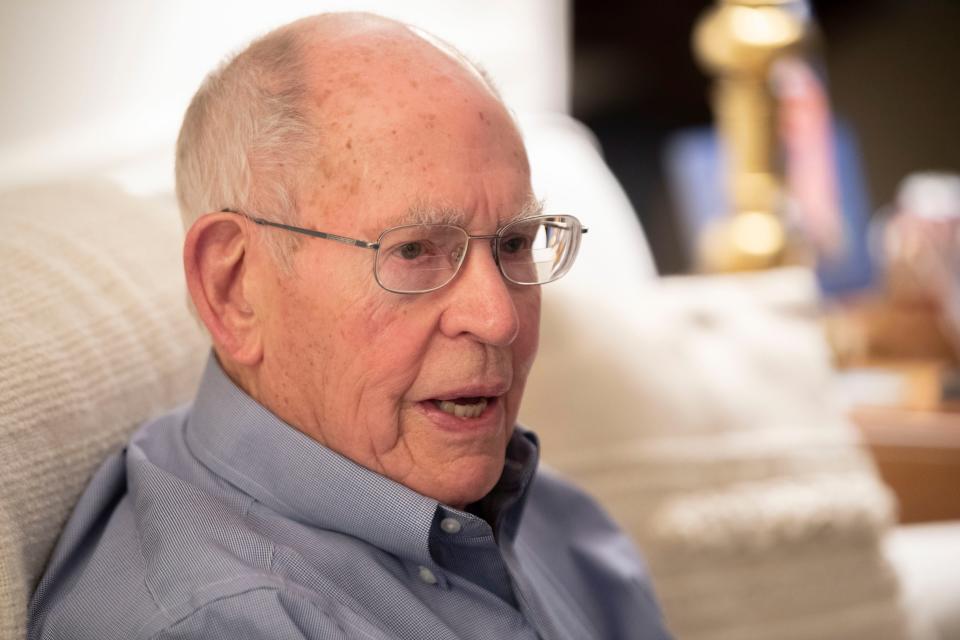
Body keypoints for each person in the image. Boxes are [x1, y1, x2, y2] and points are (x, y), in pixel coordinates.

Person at [28, 12, 670, 640]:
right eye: (416, 251)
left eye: (513, 243)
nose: (498, 319)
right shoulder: (220, 620)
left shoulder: (551, 516)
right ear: (234, 289)